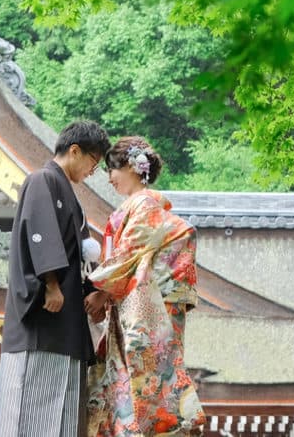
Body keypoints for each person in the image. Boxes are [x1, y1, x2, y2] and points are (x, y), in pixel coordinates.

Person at [0, 120, 111, 437]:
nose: (92, 172)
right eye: (92, 163)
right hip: (44, 319)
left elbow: (81, 257)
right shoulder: (42, 180)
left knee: (63, 414)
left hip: (65, 322)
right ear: (75, 151)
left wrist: (96, 292)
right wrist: (51, 284)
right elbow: (40, 234)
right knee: (29, 410)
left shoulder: (67, 193)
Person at [84, 136, 205, 437]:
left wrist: (98, 290)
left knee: (144, 368)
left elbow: (129, 253)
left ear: (132, 168)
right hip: (132, 302)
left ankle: (141, 428)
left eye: (113, 169)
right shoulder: (137, 206)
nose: (109, 177)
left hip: (147, 306)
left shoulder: (145, 204)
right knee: (128, 373)